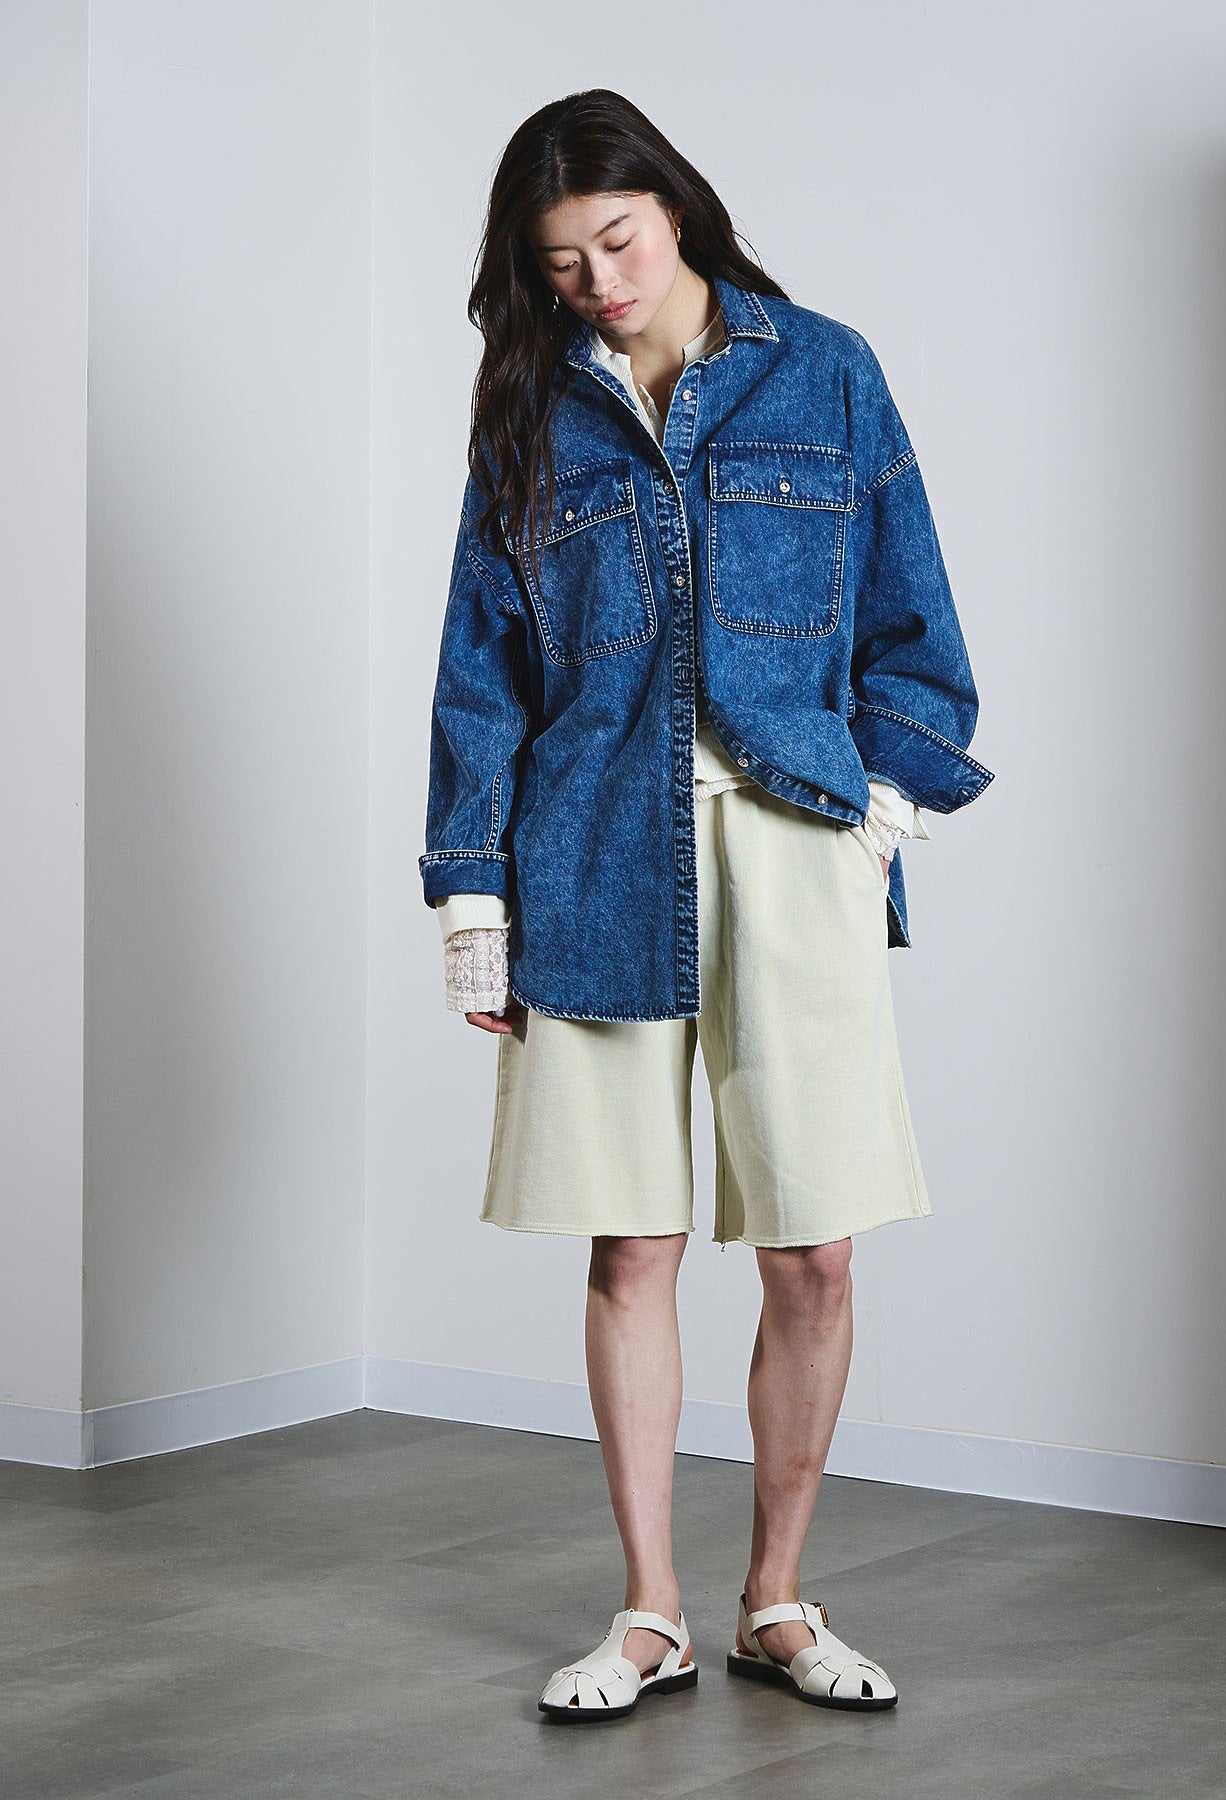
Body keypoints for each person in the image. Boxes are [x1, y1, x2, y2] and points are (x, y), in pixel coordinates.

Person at [420, 88, 993, 1723]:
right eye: (560, 264)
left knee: (814, 1253)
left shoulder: (826, 371)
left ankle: (778, 1603)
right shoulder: (529, 415)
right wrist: (472, 893)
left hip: (793, 840)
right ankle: (652, 1613)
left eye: (616, 240)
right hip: (590, 852)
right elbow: (480, 677)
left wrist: (881, 813)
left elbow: (915, 626)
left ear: (671, 205)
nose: (598, 283)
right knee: (633, 1243)